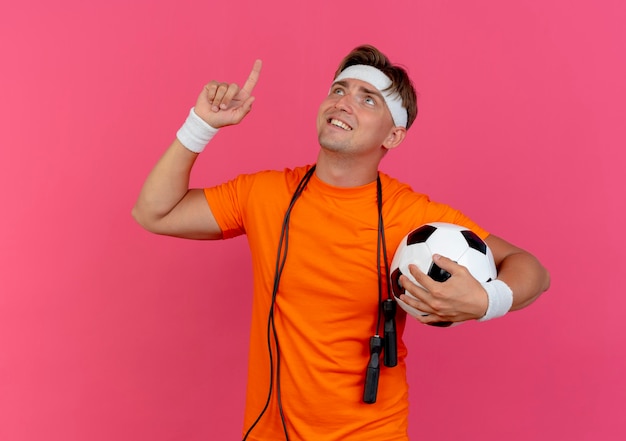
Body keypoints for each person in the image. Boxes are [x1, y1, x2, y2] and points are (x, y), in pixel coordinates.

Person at [132, 45, 550, 441]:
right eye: (338, 89)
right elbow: (154, 212)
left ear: (394, 136)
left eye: (368, 98)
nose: (344, 102)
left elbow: (530, 267)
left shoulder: (410, 215)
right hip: (267, 431)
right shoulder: (263, 194)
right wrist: (200, 125)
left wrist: (486, 302)